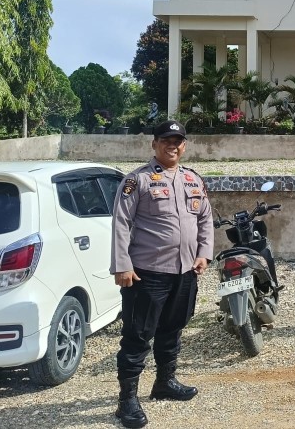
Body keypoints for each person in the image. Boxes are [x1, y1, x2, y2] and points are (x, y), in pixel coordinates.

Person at [110, 120, 214, 428]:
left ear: (184, 145)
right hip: (147, 274)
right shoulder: (137, 180)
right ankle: (126, 401)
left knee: (172, 329)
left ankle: (164, 383)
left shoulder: (193, 179)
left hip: (184, 272)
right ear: (154, 144)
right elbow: (121, 223)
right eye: (166, 139)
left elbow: (205, 219)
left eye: (178, 140)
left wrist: (204, 253)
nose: (173, 145)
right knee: (137, 336)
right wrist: (122, 265)